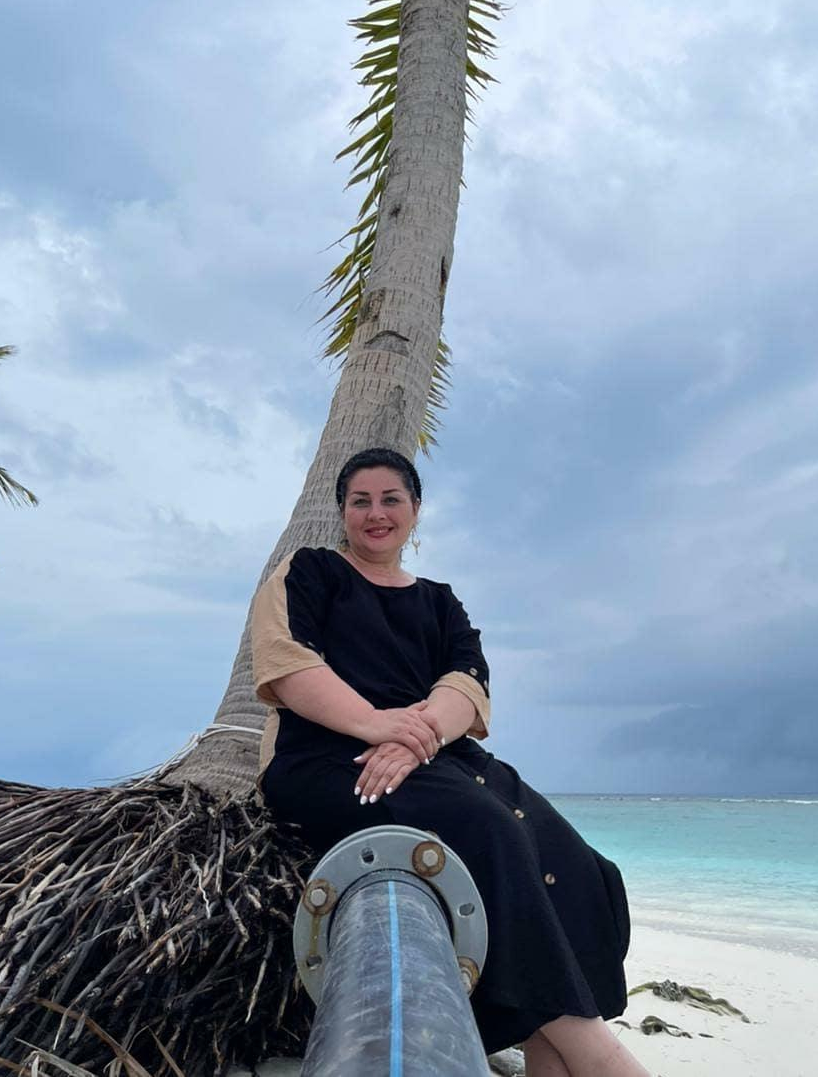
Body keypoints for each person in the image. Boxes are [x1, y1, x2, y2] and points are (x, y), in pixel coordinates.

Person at [254, 448, 650, 1077]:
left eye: (391, 500)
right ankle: (594, 1051)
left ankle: (550, 1060)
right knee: (489, 831)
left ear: (415, 510)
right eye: (360, 501)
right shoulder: (310, 572)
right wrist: (379, 725)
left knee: (580, 865)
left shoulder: (439, 600)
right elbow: (288, 661)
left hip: (437, 753)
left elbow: (466, 682)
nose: (376, 513)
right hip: (329, 755)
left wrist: (415, 737)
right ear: (342, 511)